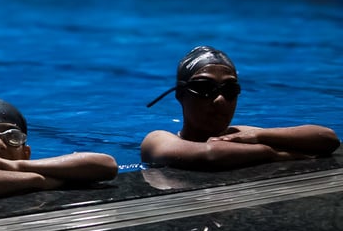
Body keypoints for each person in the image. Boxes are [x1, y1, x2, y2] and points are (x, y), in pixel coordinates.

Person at [142, 46, 340, 171]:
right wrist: (275, 153)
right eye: (204, 88)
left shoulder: (240, 134)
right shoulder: (157, 140)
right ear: (180, 95)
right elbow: (210, 154)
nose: (220, 100)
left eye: (230, 89)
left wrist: (260, 136)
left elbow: (327, 138)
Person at [0, 98, 118, 202]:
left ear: (26, 153)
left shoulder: (25, 165)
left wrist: (16, 167)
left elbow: (107, 164)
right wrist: (41, 180)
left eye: (12, 137)